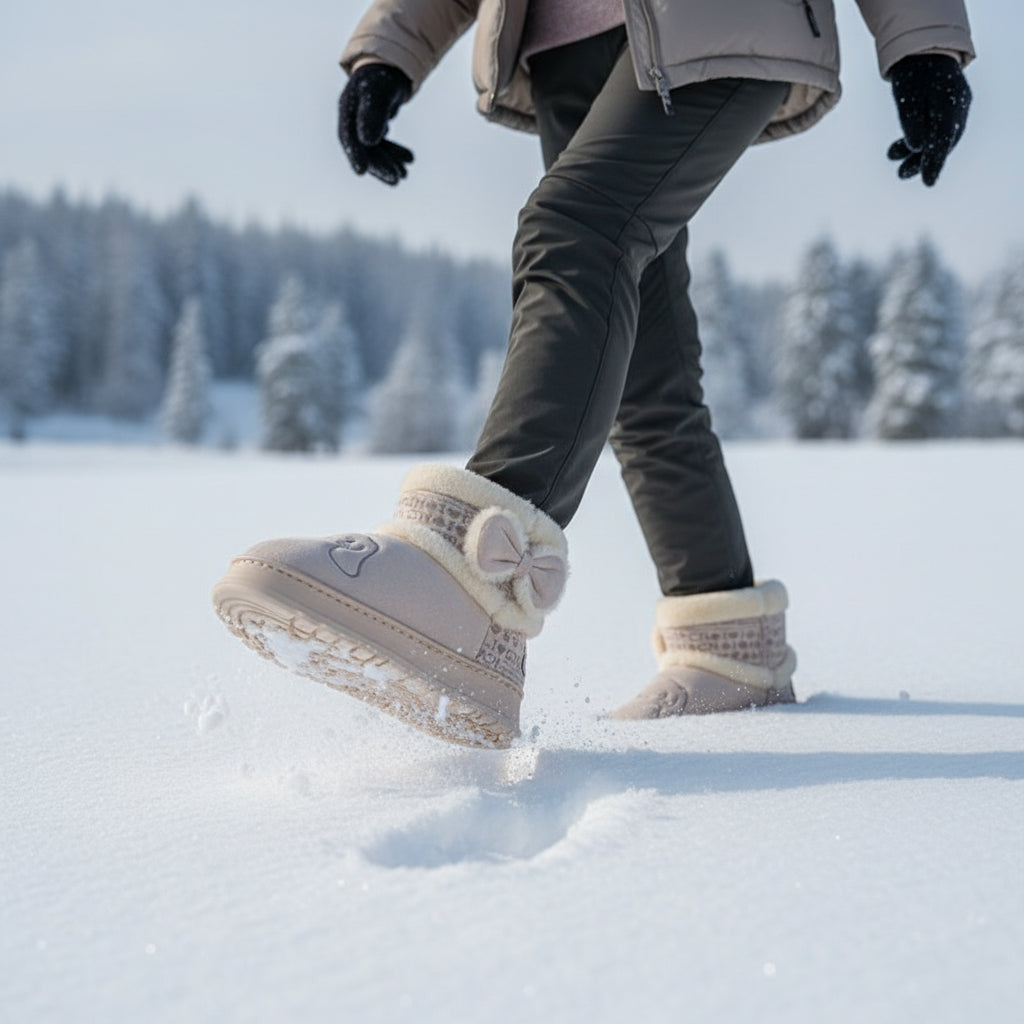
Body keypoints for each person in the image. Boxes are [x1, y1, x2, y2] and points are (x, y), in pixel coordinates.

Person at [213, 1, 974, 749]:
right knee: (643, 355)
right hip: (559, 48)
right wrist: (392, 49)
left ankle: (469, 580)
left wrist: (924, 39)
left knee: (575, 227)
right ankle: (731, 644)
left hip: (716, 18)